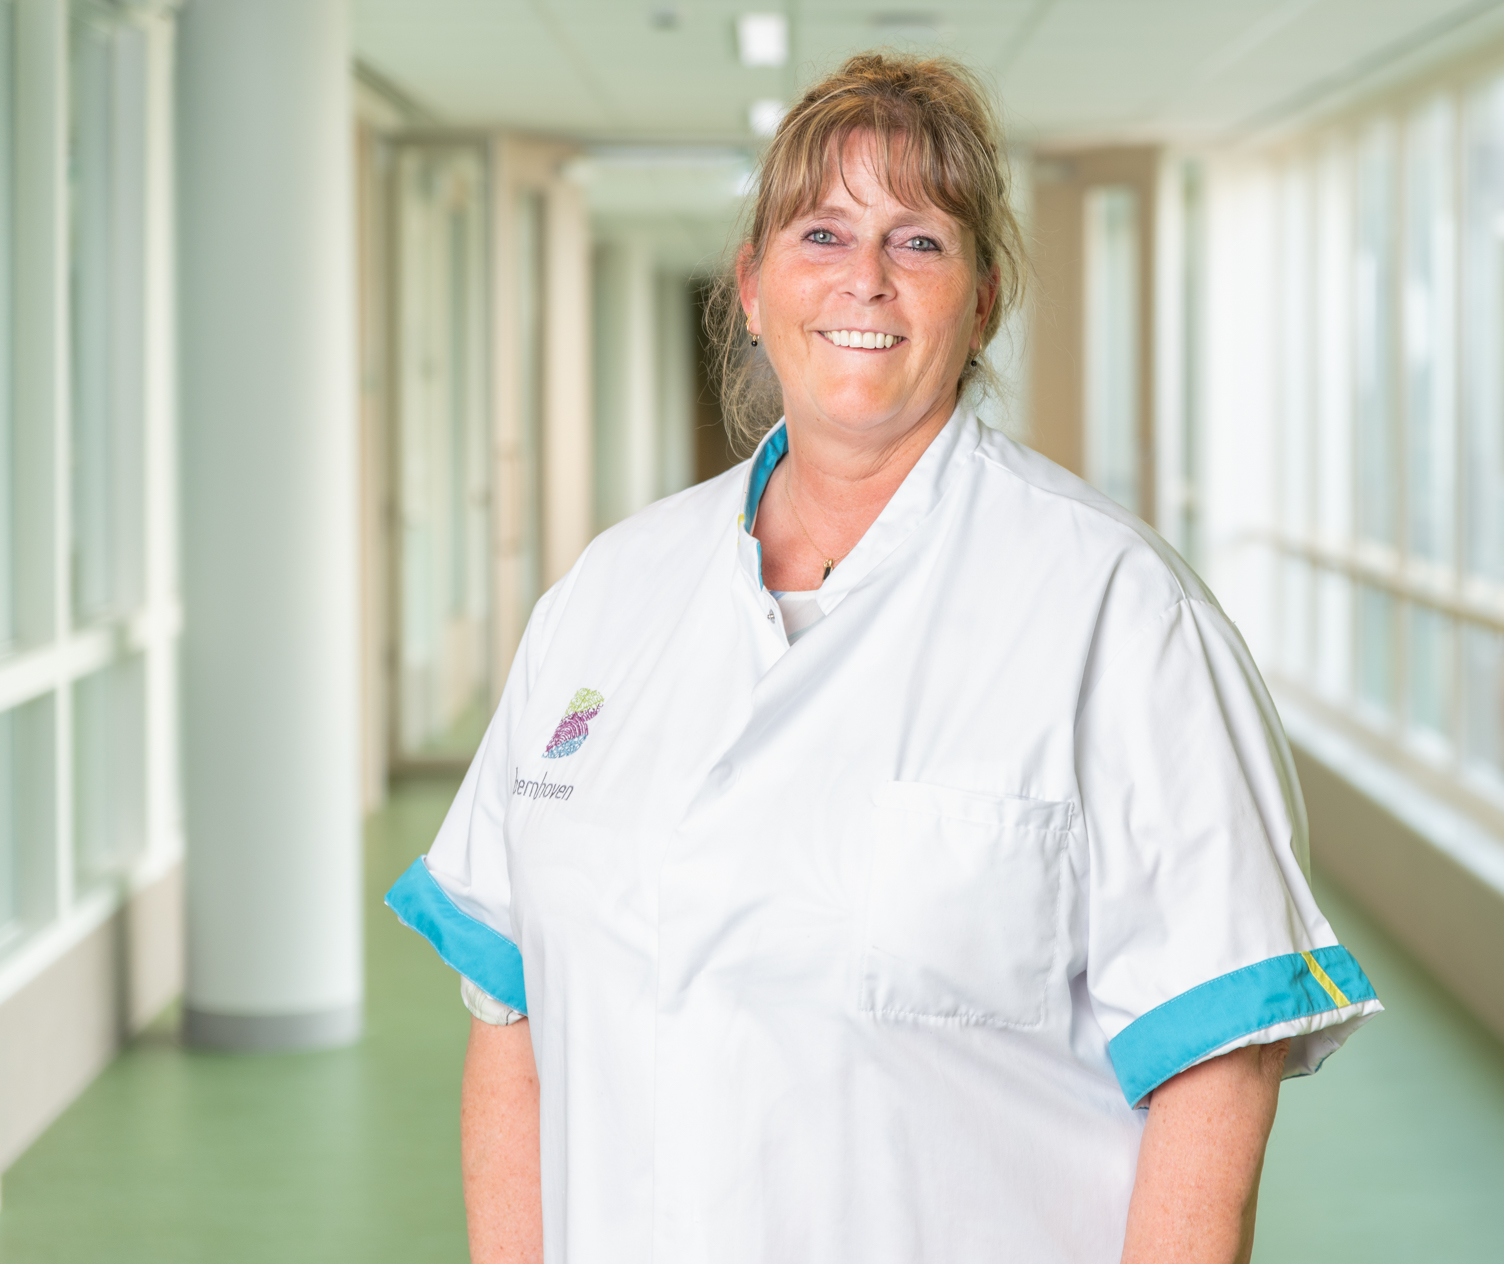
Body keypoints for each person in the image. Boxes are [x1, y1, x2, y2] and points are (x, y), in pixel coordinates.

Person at [387, 51, 1380, 1264]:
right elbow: (510, 1015)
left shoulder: (1118, 611)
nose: (864, 276)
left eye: (918, 241)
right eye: (820, 233)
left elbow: (1216, 1072)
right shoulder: (607, 593)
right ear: (752, 286)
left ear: (983, 299)